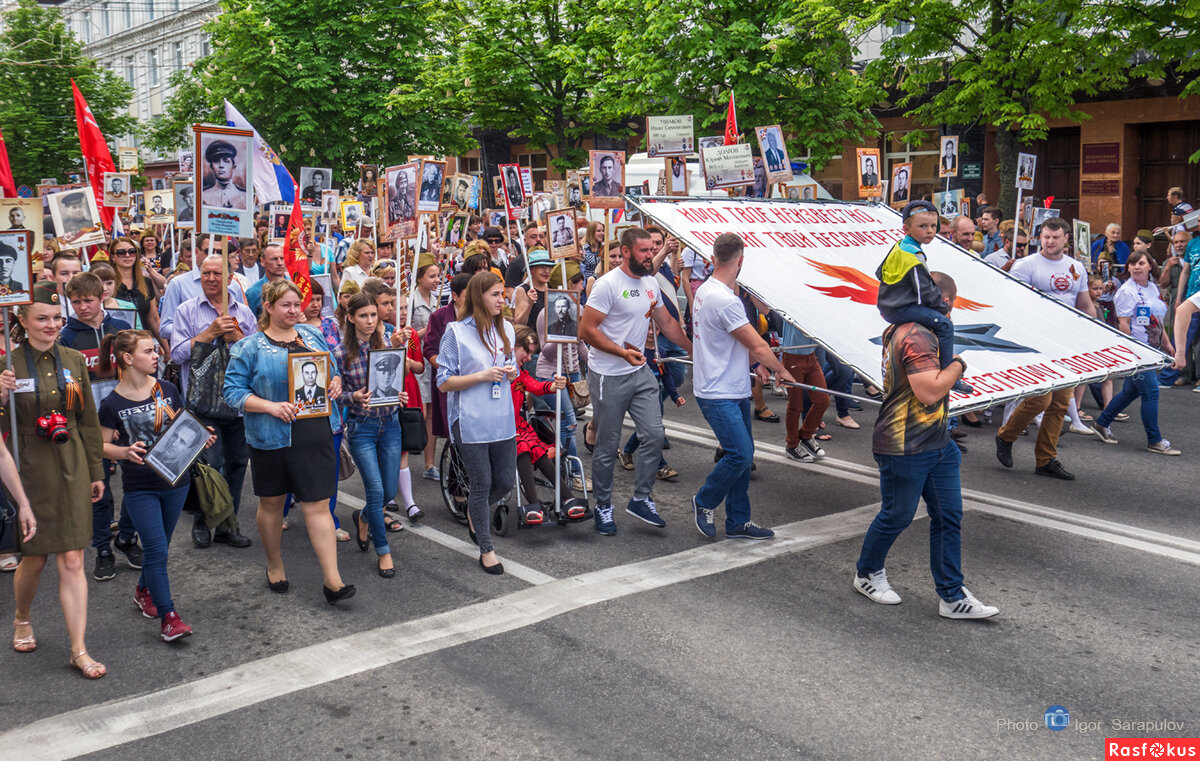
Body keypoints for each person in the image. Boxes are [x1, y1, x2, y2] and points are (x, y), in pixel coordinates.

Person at [852, 271, 998, 619]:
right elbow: (929, 390)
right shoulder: (916, 335)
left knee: (949, 516)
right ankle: (867, 573)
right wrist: (959, 365)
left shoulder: (919, 329)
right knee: (897, 515)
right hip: (904, 442)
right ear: (945, 302)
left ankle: (951, 596)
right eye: (954, 303)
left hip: (936, 440)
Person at [1, 282, 109, 677]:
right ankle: (22, 616)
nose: (52, 324)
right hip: (29, 466)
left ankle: (78, 649)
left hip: (73, 460)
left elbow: (88, 419)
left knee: (73, 556)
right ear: (22, 320)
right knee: (35, 556)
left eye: (57, 318)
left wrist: (96, 470)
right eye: (42, 318)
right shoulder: (8, 364)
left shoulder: (73, 359)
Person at [223, 280, 355, 603]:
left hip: (315, 432)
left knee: (318, 503)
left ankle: (332, 580)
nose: (295, 311)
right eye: (286, 305)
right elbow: (232, 393)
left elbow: (332, 368)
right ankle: (274, 563)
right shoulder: (249, 347)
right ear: (268, 307)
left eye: (297, 304)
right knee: (271, 503)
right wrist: (270, 406)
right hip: (272, 436)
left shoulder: (311, 335)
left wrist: (335, 382)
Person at [98, 330, 214, 641]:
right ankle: (169, 618)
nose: (157, 356)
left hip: (177, 481)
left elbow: (181, 427)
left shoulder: (168, 388)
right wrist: (123, 452)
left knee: (158, 546)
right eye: (149, 351)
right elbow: (100, 446)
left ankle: (142, 591)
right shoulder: (111, 403)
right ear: (127, 358)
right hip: (140, 487)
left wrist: (201, 436)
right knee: (157, 549)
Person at [578, 228, 693, 536]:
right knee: (607, 446)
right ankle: (603, 505)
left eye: (652, 249)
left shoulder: (651, 283)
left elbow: (666, 323)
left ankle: (641, 498)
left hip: (639, 371)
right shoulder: (607, 285)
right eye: (643, 250)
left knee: (654, 435)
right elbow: (587, 331)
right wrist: (620, 351)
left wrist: (696, 352)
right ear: (626, 252)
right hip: (608, 374)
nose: (649, 255)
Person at [690, 233, 794, 540]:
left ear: (714, 258)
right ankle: (704, 500)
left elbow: (733, 341)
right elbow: (760, 345)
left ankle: (738, 521)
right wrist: (780, 369)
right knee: (740, 455)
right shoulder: (726, 300)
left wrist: (756, 364)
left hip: (731, 386)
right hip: (718, 390)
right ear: (741, 261)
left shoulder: (707, 290)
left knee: (742, 456)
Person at [996, 217, 1096, 480]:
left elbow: (1085, 305)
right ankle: (1006, 436)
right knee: (1041, 398)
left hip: (1065, 343)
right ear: (1040, 238)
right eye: (1046, 237)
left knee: (1062, 401)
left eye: (1055, 237)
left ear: (1066, 239)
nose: (1050, 242)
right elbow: (1010, 303)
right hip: (1035, 341)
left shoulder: (1076, 267)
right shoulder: (1026, 265)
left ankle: (1046, 459)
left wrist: (1093, 332)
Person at [169, 254, 256, 548]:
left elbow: (256, 354)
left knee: (236, 465)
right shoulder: (187, 310)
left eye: (217, 273)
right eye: (205, 273)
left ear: (230, 277)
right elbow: (177, 354)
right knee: (209, 465)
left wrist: (237, 335)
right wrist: (209, 333)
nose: (210, 278)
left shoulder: (244, 312)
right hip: (202, 403)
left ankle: (228, 525)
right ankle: (203, 521)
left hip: (238, 403)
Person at [437, 271, 519, 574]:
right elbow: (444, 382)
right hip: (470, 416)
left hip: (501, 414)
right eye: (495, 294)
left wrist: (511, 372)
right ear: (479, 297)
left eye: (502, 294)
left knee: (504, 482)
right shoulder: (456, 332)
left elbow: (513, 368)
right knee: (482, 482)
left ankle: (476, 509)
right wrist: (482, 376)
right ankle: (486, 548)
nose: (502, 299)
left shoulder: (507, 328)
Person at [60, 272, 138, 581]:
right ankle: (103, 548)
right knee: (98, 490)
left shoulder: (120, 328)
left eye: (87, 300)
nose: (81, 307)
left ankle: (127, 537)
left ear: (101, 298)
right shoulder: (66, 337)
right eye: (75, 302)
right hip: (90, 424)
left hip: (125, 417)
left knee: (137, 482)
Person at [339, 292, 406, 578]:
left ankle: (364, 517)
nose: (369, 320)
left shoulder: (386, 346)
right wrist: (352, 396)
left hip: (390, 424)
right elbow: (334, 395)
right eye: (363, 315)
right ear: (351, 318)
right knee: (376, 491)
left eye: (373, 315)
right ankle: (383, 551)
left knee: (389, 492)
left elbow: (396, 382)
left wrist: (400, 394)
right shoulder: (341, 353)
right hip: (361, 429)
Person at [875, 201, 974, 395]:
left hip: (891, 305)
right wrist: (943, 310)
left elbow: (880, 272)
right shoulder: (913, 255)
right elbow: (926, 290)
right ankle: (948, 370)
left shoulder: (900, 246)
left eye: (932, 226)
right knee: (945, 325)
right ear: (907, 228)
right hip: (900, 308)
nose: (929, 231)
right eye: (922, 226)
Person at [1088, 250, 1178, 454]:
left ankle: (1101, 424)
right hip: (1138, 352)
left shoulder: (1152, 288)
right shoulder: (1127, 292)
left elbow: (1157, 320)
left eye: (1141, 263)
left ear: (1149, 267)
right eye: (1133, 263)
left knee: (1130, 391)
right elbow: (1124, 325)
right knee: (1151, 392)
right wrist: (1135, 352)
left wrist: (1167, 344)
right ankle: (1154, 440)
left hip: (1153, 349)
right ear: (1128, 267)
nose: (1137, 267)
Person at [509, 324, 585, 523]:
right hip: (500, 426)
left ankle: (567, 499)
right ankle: (533, 504)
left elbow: (534, 385)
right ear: (513, 346)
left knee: (539, 449)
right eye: (526, 352)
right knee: (523, 447)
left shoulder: (520, 373)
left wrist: (551, 385)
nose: (528, 358)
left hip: (517, 424)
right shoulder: (501, 371)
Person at [200, 140, 247, 210]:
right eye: (216, 161)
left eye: (226, 161)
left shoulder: (244, 196)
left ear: (233, 166)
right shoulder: (203, 196)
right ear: (211, 167)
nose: (221, 165)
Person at [245, 243, 289, 316]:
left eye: (282, 258)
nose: (280, 263)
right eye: (274, 259)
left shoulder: (295, 285)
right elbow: (250, 323)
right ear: (262, 262)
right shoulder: (253, 292)